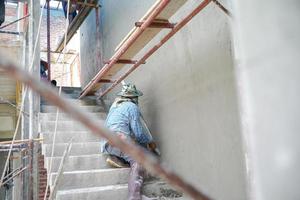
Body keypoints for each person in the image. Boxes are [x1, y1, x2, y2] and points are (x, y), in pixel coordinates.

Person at [101, 83, 158, 200]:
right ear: (133, 98)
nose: (137, 100)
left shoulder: (115, 106)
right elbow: (138, 133)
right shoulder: (132, 107)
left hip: (107, 143)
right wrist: (149, 142)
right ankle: (134, 196)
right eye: (136, 98)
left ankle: (116, 158)